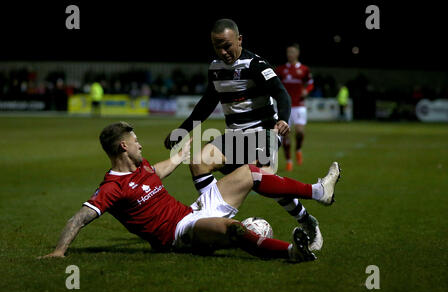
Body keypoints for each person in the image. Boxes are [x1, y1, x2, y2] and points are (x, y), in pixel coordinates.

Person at [39, 122, 340, 261]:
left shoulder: (143, 170)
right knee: (233, 229)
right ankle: (292, 251)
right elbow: (78, 219)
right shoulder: (112, 187)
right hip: (179, 235)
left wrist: (183, 156)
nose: (141, 144)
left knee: (249, 172)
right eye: (136, 140)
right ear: (123, 146)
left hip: (194, 211)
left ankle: (319, 191)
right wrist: (59, 251)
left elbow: (167, 166)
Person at [163, 19, 325, 251]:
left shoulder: (255, 64)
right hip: (236, 136)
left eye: (227, 46)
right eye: (217, 47)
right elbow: (207, 103)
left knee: (262, 178)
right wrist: (183, 130)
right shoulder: (216, 68)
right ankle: (215, 219)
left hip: (263, 132)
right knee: (199, 162)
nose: (223, 52)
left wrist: (283, 119)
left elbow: (282, 94)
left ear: (239, 40)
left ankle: (307, 221)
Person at [275, 43, 314, 171]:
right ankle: (289, 160)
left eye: (292, 52)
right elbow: (273, 84)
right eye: (288, 52)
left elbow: (310, 83)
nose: (290, 55)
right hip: (285, 107)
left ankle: (298, 149)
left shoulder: (304, 69)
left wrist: (306, 91)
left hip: (299, 106)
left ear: (297, 53)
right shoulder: (280, 70)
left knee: (300, 132)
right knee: (285, 135)